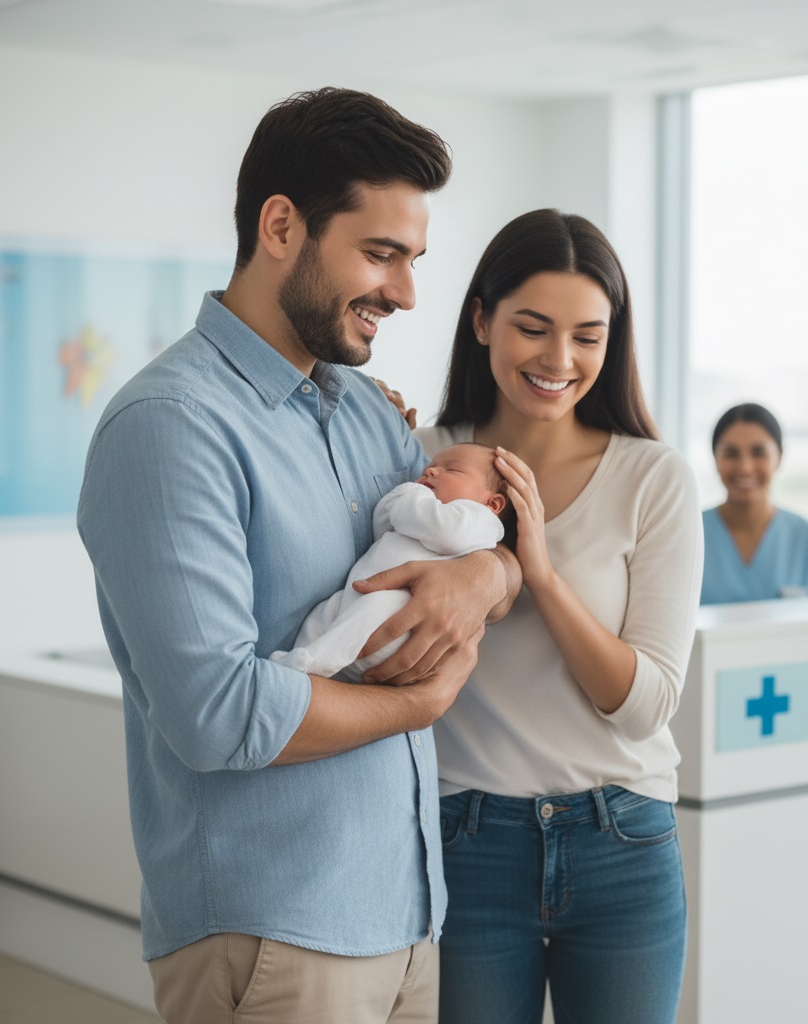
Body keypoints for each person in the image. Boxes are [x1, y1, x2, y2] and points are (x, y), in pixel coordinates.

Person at [76, 87, 520, 1024]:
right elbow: (216, 713)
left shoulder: (367, 412)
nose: (404, 292)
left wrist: (491, 572)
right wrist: (422, 701)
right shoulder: (171, 427)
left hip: (406, 911)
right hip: (274, 933)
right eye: (380, 253)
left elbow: (469, 545)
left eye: (413, 259)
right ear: (281, 225)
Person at [413, 209, 704, 1024]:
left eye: (587, 335)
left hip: (623, 842)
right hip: (465, 836)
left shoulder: (654, 478)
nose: (559, 360)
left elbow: (645, 702)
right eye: (533, 329)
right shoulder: (417, 458)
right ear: (481, 320)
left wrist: (536, 568)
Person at [270, 443, 515, 681]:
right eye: (430, 467)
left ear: (493, 503)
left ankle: (314, 662)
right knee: (323, 615)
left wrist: (413, 494)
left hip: (399, 619)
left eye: (453, 469)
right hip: (356, 599)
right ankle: (301, 655)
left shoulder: (479, 520)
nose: (431, 471)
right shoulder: (422, 511)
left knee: (373, 608)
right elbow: (383, 523)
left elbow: (445, 532)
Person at [700, 402, 808, 604]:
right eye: (731, 454)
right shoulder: (688, 536)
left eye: (758, 452)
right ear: (715, 458)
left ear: (779, 457)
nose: (745, 467)